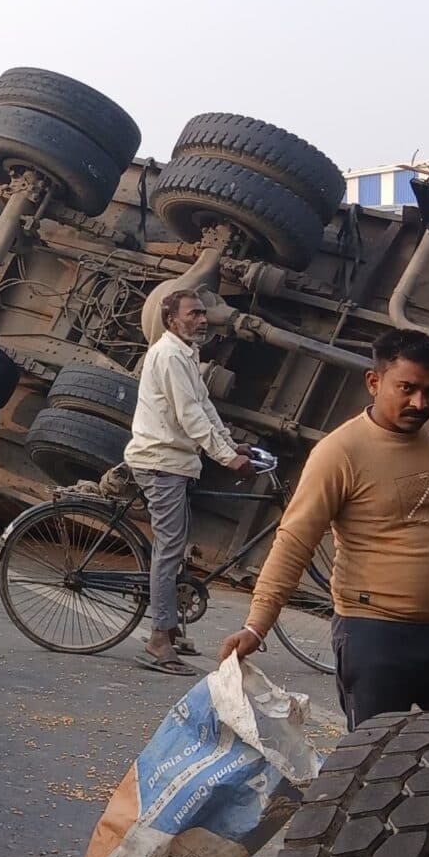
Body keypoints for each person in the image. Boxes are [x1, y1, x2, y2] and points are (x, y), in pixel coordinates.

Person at [221, 329, 429, 728]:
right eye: (407, 388)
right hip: (374, 635)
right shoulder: (340, 453)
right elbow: (294, 541)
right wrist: (256, 625)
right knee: (375, 765)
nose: (420, 403)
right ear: (374, 382)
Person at [123, 289, 256, 677]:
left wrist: (231, 442)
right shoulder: (167, 355)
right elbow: (189, 416)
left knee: (177, 546)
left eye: (203, 314)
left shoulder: (186, 354)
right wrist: (229, 458)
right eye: (194, 314)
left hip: (177, 463)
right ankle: (157, 641)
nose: (202, 320)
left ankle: (170, 626)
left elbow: (204, 407)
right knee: (167, 551)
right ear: (171, 319)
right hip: (161, 462)